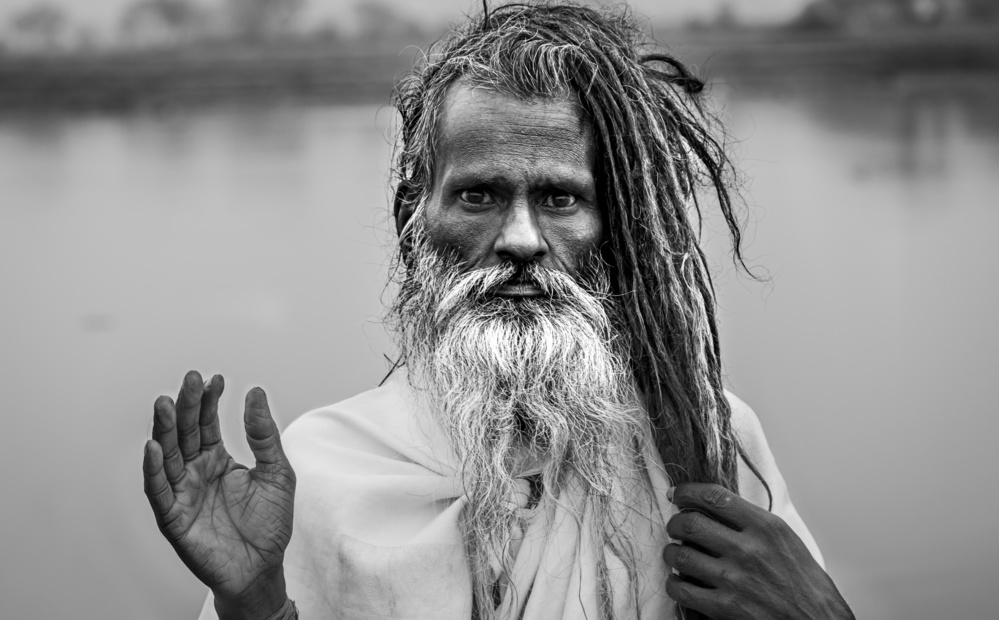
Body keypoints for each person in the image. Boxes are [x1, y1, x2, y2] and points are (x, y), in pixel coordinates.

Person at [142, 3, 855, 619]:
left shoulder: (708, 442)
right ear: (414, 217)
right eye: (479, 194)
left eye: (559, 197)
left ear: (620, 225)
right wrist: (254, 602)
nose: (518, 239)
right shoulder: (325, 469)